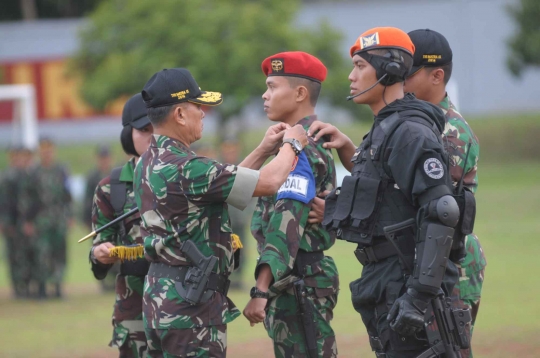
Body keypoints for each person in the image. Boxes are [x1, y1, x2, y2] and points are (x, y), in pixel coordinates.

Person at [134, 67, 308, 358]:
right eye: (198, 107)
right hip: (191, 307)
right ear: (179, 114)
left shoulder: (148, 161)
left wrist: (264, 149)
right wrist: (293, 143)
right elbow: (269, 182)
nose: (203, 113)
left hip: (160, 298)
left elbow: (226, 184)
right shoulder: (188, 167)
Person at [308, 27, 461, 357]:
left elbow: (442, 211)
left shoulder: (409, 131)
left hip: (408, 287)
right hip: (385, 282)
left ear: (391, 69)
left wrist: (418, 297)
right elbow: (382, 201)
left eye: (361, 66)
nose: (351, 76)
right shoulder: (385, 128)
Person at [243, 51, 339, 358]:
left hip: (299, 282)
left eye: (273, 87)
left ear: (300, 93)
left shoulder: (302, 149)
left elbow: (287, 222)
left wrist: (260, 288)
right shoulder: (291, 144)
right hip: (293, 280)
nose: (264, 94)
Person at [404, 29, 486, 357]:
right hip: (428, 261)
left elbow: (424, 202)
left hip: (450, 264)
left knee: (447, 351)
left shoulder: (450, 134)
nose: (398, 82)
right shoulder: (414, 124)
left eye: (406, 74)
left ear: (437, 75)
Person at [90, 93, 153, 358]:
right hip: (135, 309)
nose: (153, 136)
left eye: (158, 128)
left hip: (186, 308)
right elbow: (97, 254)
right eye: (144, 130)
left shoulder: (188, 176)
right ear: (129, 133)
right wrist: (100, 253)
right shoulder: (111, 187)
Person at [34, 138, 72, 298]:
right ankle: (42, 287)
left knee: (59, 254)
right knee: (42, 254)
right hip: (41, 221)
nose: (47, 154)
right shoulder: (34, 172)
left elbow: (67, 196)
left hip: (59, 220)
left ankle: (57, 287)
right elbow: (29, 199)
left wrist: (69, 216)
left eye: (49, 151)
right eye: (44, 151)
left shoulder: (61, 171)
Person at [83, 145, 113, 230]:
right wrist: (86, 219)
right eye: (102, 158)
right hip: (97, 220)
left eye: (106, 157)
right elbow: (88, 199)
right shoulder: (92, 177)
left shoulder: (115, 175)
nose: (104, 161)